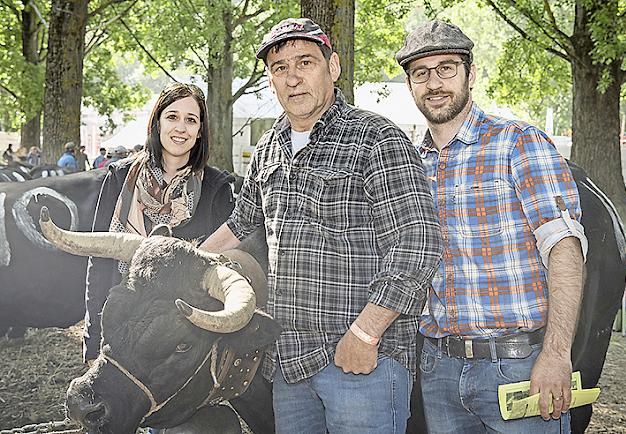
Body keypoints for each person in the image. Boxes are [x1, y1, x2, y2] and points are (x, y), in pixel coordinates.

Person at [200, 18, 442, 434]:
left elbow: (418, 243)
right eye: (279, 68)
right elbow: (240, 226)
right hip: (289, 365)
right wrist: (179, 264)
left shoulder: (376, 138)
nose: (292, 78)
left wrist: (365, 335)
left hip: (363, 363)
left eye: (305, 62)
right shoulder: (268, 147)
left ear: (333, 67)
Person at [396, 21, 588, 433]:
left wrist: (556, 353)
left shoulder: (518, 142)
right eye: (421, 73)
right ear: (410, 85)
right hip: (439, 369)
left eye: (446, 68)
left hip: (517, 365)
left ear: (471, 73)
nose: (434, 83)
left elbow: (565, 249)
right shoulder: (412, 164)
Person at [83, 82, 235, 369]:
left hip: (178, 343)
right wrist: (93, 340)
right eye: (172, 116)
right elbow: (99, 263)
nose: (181, 128)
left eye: (191, 120)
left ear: (200, 130)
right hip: (121, 324)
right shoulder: (118, 178)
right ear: (157, 122)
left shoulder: (217, 188)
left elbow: (222, 272)